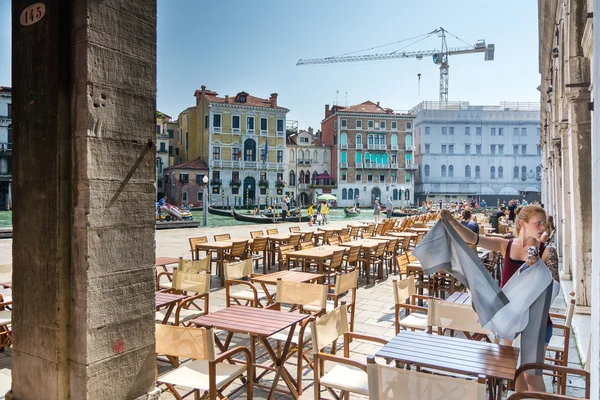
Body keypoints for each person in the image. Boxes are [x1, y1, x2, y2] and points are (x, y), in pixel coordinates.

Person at [441, 205, 559, 392]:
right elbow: (473, 238)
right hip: (509, 321)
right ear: (523, 224)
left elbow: (554, 288)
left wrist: (535, 269)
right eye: (538, 223)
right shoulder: (507, 245)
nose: (543, 227)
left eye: (544, 223)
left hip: (538, 324)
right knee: (516, 374)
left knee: (531, 376)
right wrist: (452, 221)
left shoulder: (547, 252)